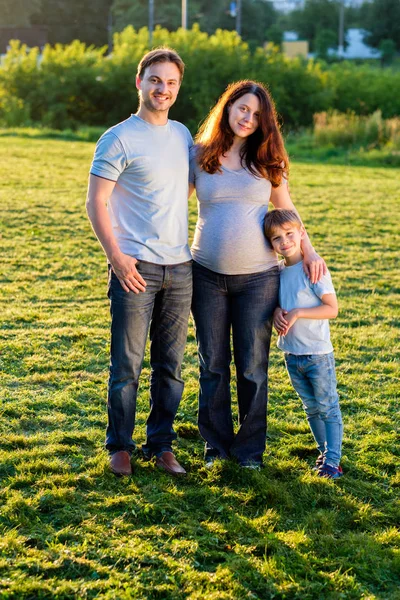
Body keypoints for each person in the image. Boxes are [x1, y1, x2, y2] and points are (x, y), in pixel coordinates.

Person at [189, 80, 326, 469]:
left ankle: (249, 452)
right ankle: (215, 446)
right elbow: (170, 204)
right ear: (228, 108)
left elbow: (287, 210)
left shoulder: (267, 159)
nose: (248, 118)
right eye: (242, 108)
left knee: (252, 365)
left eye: (256, 114)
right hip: (206, 275)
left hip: (259, 278)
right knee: (212, 362)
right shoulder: (199, 155)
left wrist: (310, 252)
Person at [86, 48, 193, 477]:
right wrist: (118, 257)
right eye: (154, 80)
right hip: (135, 270)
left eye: (170, 82)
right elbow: (96, 202)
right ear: (139, 82)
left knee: (172, 367)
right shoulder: (118, 137)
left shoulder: (184, 135)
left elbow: (179, 191)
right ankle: (120, 446)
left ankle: (161, 445)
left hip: (181, 268)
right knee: (126, 365)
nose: (162, 89)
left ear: (177, 88)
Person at [264, 208, 343, 479]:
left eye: (289, 234)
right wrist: (277, 311)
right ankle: (324, 453)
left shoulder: (314, 269)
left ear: (301, 234)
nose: (284, 241)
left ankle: (333, 461)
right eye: (276, 238)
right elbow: (281, 301)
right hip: (292, 353)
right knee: (310, 407)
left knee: (327, 406)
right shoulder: (277, 271)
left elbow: (331, 309)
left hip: (317, 354)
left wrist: (297, 313)